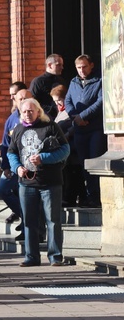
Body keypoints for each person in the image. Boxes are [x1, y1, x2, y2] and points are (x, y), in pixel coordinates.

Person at [8, 98, 70, 267]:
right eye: (24, 111)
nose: (27, 114)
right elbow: (11, 152)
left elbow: (65, 150)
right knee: (29, 221)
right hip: (26, 183)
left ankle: (55, 256)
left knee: (53, 220)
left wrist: (43, 158)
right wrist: (17, 167)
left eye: (31, 111)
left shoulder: (50, 127)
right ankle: (31, 257)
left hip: (50, 182)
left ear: (38, 112)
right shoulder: (18, 129)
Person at [65, 54, 106, 207]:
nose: (81, 70)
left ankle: (96, 196)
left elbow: (101, 101)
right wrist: (74, 117)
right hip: (79, 130)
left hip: (95, 128)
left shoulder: (99, 80)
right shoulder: (73, 82)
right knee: (83, 164)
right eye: (79, 68)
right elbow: (67, 101)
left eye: (84, 67)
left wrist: (82, 115)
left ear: (91, 65)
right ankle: (88, 195)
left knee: (94, 162)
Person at [0, 84, 29, 239]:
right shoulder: (11, 120)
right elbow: (5, 144)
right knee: (2, 189)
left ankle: (28, 229)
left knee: (26, 196)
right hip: (13, 164)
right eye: (20, 99)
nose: (23, 101)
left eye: (26, 98)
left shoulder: (37, 116)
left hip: (31, 166)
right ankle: (24, 218)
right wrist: (5, 166)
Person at [51, 85, 86, 207]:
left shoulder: (71, 110)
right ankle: (69, 197)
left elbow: (75, 125)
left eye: (59, 100)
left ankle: (77, 198)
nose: (57, 104)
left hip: (73, 147)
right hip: (65, 149)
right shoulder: (60, 112)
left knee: (75, 174)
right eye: (55, 101)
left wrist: (67, 134)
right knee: (69, 174)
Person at [29, 54, 65, 119]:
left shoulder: (61, 80)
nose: (62, 67)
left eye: (62, 65)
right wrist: (51, 109)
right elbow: (33, 101)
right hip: (44, 117)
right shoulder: (38, 82)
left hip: (61, 116)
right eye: (58, 65)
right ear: (49, 65)